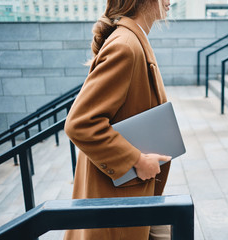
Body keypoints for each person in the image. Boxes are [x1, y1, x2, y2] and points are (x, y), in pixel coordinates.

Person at [63, 0, 172, 239]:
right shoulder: (126, 45)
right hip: (120, 195)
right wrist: (136, 161)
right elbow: (80, 122)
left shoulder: (133, 40)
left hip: (134, 192)